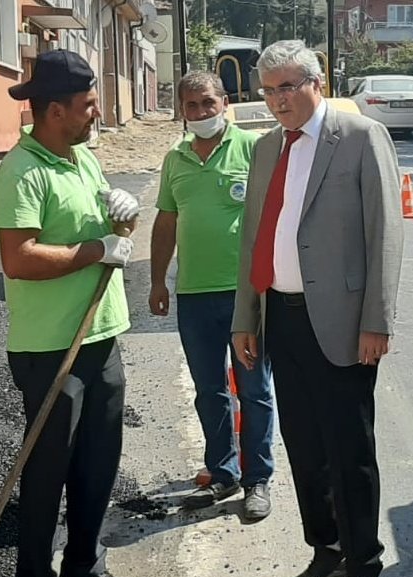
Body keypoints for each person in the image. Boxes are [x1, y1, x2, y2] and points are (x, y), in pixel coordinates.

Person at [231, 40, 404, 577]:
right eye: (269, 89)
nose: (278, 100)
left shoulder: (358, 138)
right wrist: (245, 317)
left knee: (349, 450)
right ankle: (325, 552)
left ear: (316, 82)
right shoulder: (265, 149)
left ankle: (363, 570)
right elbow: (253, 239)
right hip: (280, 317)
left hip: (343, 323)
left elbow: (386, 233)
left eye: (287, 86)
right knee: (304, 447)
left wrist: (377, 320)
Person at [0, 50, 140, 577]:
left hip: (100, 334)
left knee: (97, 463)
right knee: (48, 467)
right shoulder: (22, 171)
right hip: (49, 345)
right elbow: (19, 259)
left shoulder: (81, 160)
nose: (95, 113)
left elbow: (108, 225)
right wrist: (95, 251)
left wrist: (121, 217)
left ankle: (84, 569)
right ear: (54, 110)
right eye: (87, 105)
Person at [149, 72, 276, 521]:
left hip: (246, 295)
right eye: (191, 106)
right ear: (181, 111)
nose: (201, 113)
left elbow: (274, 215)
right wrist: (158, 280)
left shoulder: (254, 149)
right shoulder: (175, 158)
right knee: (209, 389)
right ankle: (222, 471)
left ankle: (257, 478)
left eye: (208, 103)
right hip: (195, 295)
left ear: (225, 102)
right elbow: (166, 223)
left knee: (254, 388)